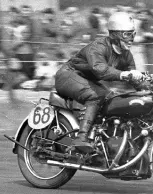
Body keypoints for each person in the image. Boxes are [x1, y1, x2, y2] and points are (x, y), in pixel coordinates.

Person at [54, 11, 143, 153]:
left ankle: (100, 137)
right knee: (95, 96)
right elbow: (100, 70)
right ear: (115, 34)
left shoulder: (126, 54)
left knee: (112, 98)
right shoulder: (98, 47)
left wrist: (149, 84)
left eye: (133, 34)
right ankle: (81, 138)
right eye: (127, 34)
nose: (131, 38)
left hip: (87, 80)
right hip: (68, 75)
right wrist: (125, 74)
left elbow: (134, 78)